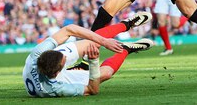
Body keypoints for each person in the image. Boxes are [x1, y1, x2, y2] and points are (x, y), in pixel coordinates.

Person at [22, 12, 154, 97]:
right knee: (105, 74)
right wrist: (93, 61)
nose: (66, 58)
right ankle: (126, 49)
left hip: (48, 69)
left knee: (92, 42)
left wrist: (103, 42)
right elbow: (93, 89)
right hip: (60, 78)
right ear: (58, 72)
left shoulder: (37, 54)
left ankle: (126, 24)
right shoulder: (54, 88)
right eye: (64, 61)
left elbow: (69, 29)